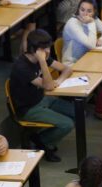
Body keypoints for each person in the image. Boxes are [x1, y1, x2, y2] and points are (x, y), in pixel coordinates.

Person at [10, 29, 74, 163]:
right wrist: (43, 62)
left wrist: (59, 81)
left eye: (48, 47)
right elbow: (49, 86)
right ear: (35, 50)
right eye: (45, 49)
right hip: (28, 108)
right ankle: (44, 142)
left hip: (42, 99)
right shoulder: (22, 67)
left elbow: (67, 69)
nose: (48, 51)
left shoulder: (43, 56)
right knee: (67, 124)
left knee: (77, 112)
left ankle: (40, 138)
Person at [62, 0, 102, 121]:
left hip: (88, 58)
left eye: (89, 11)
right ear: (78, 10)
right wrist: (91, 24)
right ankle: (100, 110)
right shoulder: (72, 24)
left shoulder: (92, 19)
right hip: (73, 64)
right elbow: (91, 44)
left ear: (94, 12)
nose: (85, 14)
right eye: (82, 10)